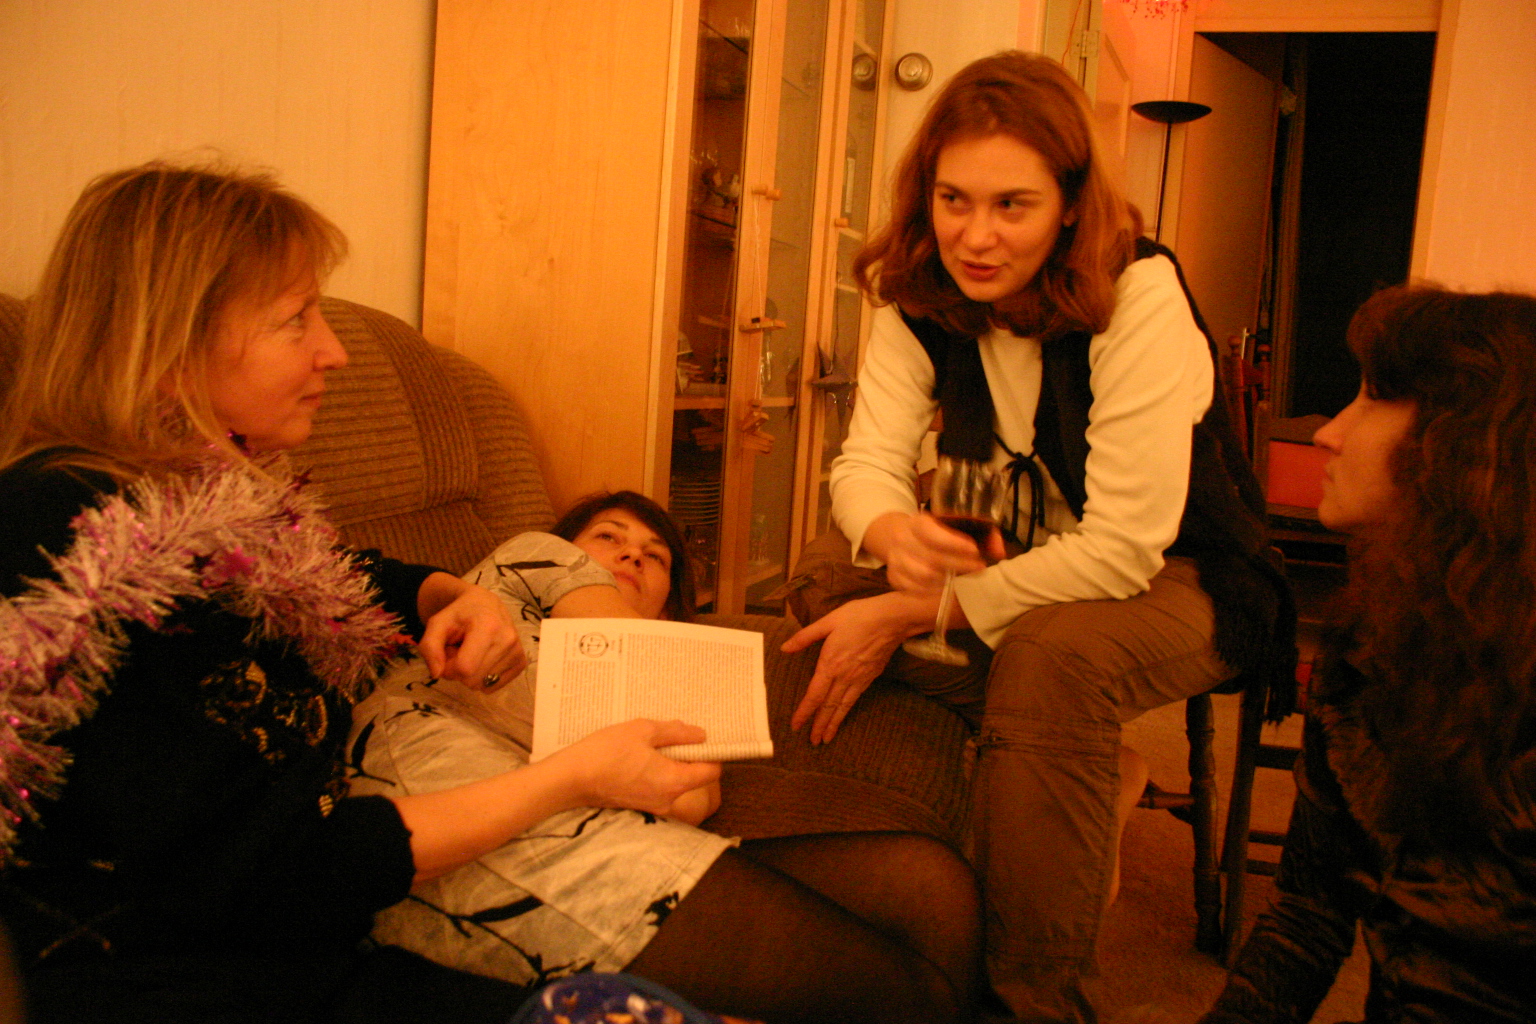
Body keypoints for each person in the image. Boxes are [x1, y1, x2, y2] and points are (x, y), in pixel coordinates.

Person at [0, 163, 977, 1024]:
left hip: (375, 851)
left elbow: (330, 578)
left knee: (930, 890)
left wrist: (437, 592)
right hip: (260, 976)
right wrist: (575, 777)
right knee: (899, 988)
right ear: (175, 340)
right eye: (296, 319)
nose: (333, 351)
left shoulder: (211, 495)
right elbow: (277, 869)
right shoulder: (73, 543)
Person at [780, 51, 1292, 1022]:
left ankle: (1029, 999)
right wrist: (889, 527)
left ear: (1069, 204)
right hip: (1017, 537)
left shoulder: (1138, 293)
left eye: (1011, 205)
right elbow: (865, 462)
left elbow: (1123, 547)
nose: (975, 236)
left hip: (1185, 567)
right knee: (820, 585)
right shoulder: (918, 293)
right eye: (953, 200)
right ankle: (1076, 768)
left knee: (1053, 661)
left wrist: (923, 607)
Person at [350, 487, 983, 1024]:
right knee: (903, 995)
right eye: (608, 537)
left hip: (572, 819)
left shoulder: (675, 663)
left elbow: (691, 798)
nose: (633, 554)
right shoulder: (531, 559)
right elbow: (687, 793)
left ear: (668, 606)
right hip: (442, 825)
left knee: (932, 884)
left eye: (656, 557)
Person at [1201, 286, 1536, 1024]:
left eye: (1374, 398)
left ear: (1466, 442)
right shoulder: (1369, 645)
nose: (1328, 433)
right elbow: (1307, 916)